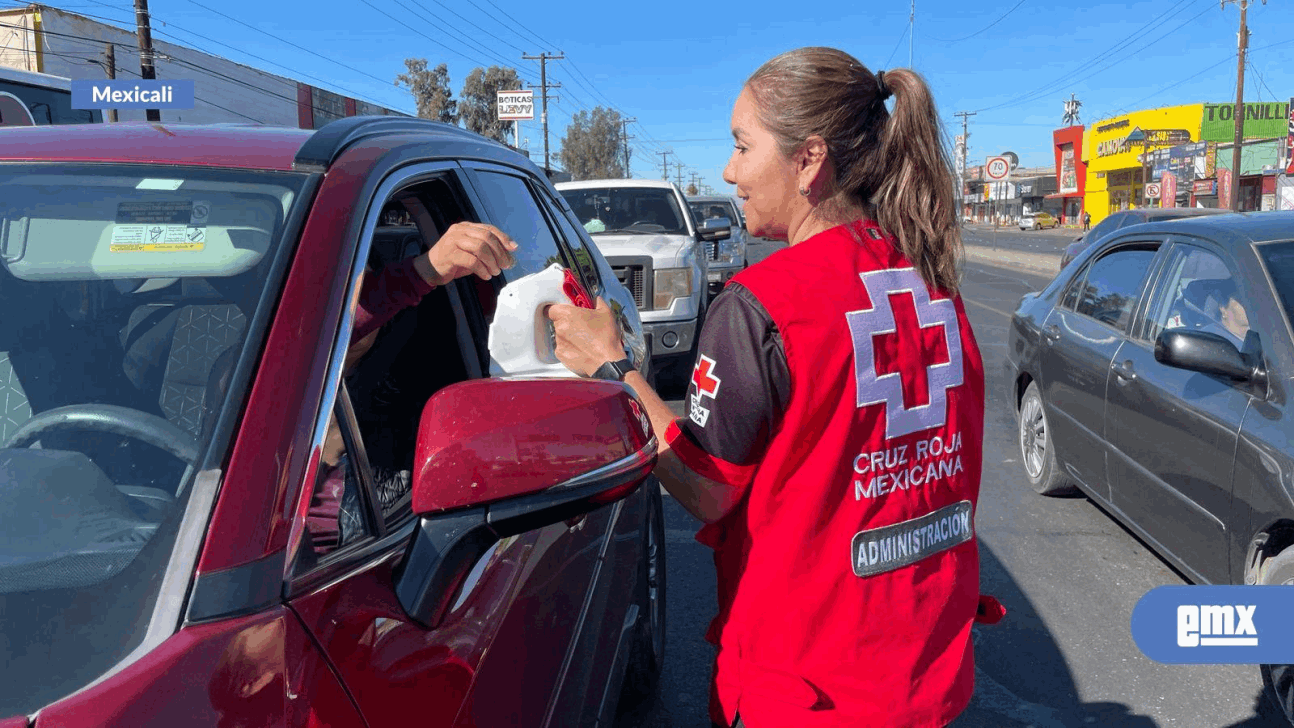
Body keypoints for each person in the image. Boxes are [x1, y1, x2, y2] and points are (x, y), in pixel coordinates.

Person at [548, 47, 986, 728]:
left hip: (808, 689)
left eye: (742, 146)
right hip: (926, 671)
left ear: (809, 159)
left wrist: (614, 368)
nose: (729, 172)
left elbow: (707, 487)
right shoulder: (935, 283)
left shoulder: (765, 306)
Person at [305, 220, 517, 554]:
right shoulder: (258, 374)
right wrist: (426, 271)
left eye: (354, 295)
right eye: (325, 298)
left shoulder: (415, 397)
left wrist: (427, 271)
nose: (338, 316)